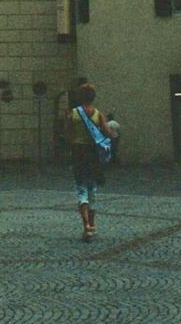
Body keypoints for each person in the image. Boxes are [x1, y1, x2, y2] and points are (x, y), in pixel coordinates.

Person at [68, 82, 116, 242]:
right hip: (93, 155)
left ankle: (86, 225)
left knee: (81, 189)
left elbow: (66, 133)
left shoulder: (74, 113)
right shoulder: (97, 114)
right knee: (92, 189)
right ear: (93, 97)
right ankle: (93, 224)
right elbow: (108, 133)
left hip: (78, 153)